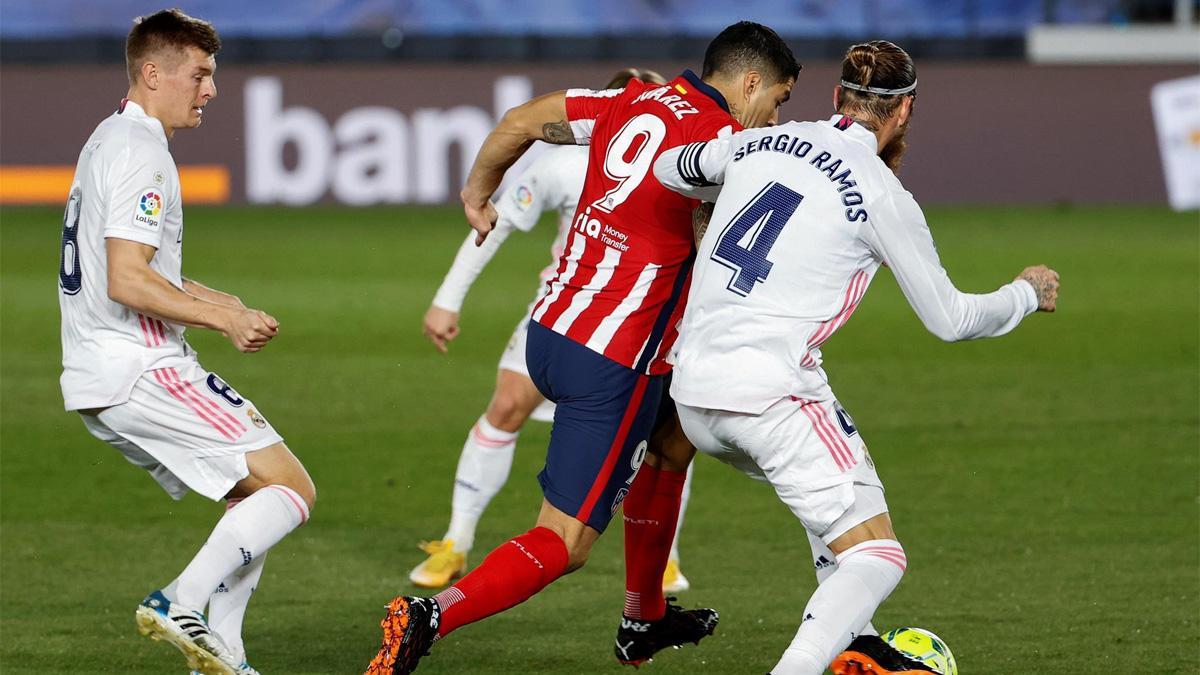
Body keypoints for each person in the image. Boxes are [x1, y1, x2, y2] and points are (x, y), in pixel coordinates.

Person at [366, 22, 799, 675]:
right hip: (616, 357)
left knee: (675, 436)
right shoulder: (725, 144)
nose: (776, 114)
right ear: (750, 82)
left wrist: (477, 190)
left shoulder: (625, 101)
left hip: (548, 333)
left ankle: (644, 617)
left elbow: (518, 122)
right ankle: (430, 617)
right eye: (780, 99)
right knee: (563, 541)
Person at [652, 40, 1059, 675]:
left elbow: (671, 167)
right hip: (771, 393)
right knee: (878, 556)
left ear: (838, 97)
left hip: (695, 391)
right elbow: (951, 321)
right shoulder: (881, 191)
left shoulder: (755, 142)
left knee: (847, 499)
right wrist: (1025, 296)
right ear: (904, 114)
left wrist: (721, 187)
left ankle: (858, 644)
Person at [56, 10, 315, 675]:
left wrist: (217, 300)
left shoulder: (108, 139)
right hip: (136, 365)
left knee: (250, 496)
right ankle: (181, 600)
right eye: (199, 74)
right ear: (152, 73)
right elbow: (126, 279)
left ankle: (223, 655)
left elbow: (140, 265)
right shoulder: (141, 150)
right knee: (289, 488)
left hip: (105, 366)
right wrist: (219, 320)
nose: (210, 89)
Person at [412, 68, 701, 594]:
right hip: (565, 312)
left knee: (668, 438)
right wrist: (447, 300)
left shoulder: (688, 166)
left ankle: (664, 560)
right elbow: (493, 221)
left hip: (643, 325)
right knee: (505, 407)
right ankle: (455, 542)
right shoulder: (563, 162)